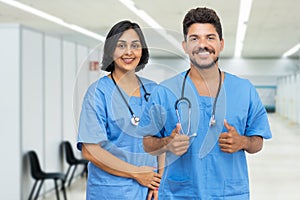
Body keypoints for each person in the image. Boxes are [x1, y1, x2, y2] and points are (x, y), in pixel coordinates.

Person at [140, 7, 272, 199]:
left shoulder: (244, 90)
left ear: (221, 44)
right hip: (180, 194)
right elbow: (147, 143)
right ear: (185, 45)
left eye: (210, 38)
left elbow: (257, 142)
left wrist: (242, 141)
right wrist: (167, 143)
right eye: (194, 38)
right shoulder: (165, 91)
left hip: (229, 194)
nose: (203, 44)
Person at [77, 20, 162, 200]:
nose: (129, 52)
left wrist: (159, 182)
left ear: (142, 50)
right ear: (110, 50)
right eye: (121, 45)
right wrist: (136, 173)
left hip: (149, 191)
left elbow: (161, 143)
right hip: (111, 191)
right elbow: (90, 149)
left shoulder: (154, 90)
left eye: (135, 45)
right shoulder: (98, 93)